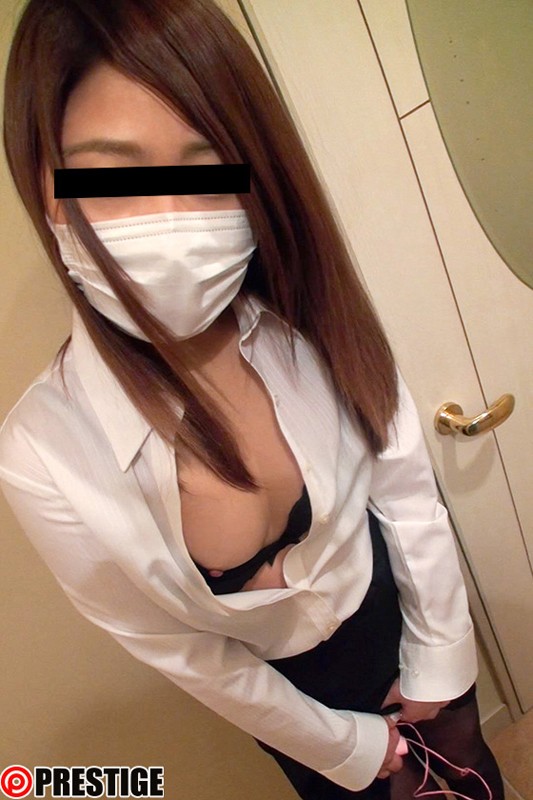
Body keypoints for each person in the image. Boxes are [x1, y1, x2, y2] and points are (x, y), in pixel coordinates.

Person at [0, 1, 504, 798]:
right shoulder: (42, 455)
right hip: (293, 705)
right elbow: (181, 650)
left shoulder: (306, 317)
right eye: (116, 176)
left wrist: (438, 658)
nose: (171, 221)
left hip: (406, 617)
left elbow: (405, 487)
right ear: (48, 188)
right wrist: (347, 747)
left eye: (205, 173)